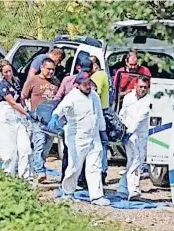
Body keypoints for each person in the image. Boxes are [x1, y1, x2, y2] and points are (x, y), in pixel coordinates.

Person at [48, 72, 110, 206]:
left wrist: (103, 131)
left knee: (95, 166)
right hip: (77, 138)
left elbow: (99, 115)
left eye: (89, 83)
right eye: (85, 84)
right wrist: (55, 117)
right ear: (78, 85)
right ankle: (68, 192)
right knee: (74, 166)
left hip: (94, 137)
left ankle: (96, 196)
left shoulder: (94, 96)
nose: (88, 86)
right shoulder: (72, 97)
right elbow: (61, 109)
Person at [0, 60, 32, 178]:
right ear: (2, 73)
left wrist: (25, 107)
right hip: (6, 115)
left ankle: (26, 176)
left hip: (17, 115)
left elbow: (20, 98)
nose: (8, 74)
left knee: (25, 148)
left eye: (10, 71)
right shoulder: (2, 85)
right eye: (5, 72)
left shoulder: (16, 81)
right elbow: (12, 103)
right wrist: (27, 113)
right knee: (10, 151)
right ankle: (9, 176)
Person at [55, 58, 94, 188]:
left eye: (89, 70)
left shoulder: (92, 85)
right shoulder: (68, 81)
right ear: (78, 67)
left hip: (85, 126)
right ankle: (65, 182)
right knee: (70, 156)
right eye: (84, 69)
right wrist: (56, 116)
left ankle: (82, 181)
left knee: (85, 157)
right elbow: (59, 97)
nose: (86, 72)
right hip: (69, 123)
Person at [21, 58, 60, 183]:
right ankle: (39, 171)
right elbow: (23, 97)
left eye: (53, 69)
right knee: (39, 144)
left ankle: (36, 166)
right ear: (42, 68)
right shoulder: (33, 80)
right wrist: (27, 111)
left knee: (47, 147)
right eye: (48, 69)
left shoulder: (56, 82)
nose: (51, 72)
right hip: (37, 120)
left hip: (51, 122)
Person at [117, 76, 150, 201]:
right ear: (135, 85)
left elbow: (141, 117)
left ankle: (122, 188)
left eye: (145, 88)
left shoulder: (148, 101)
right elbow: (122, 114)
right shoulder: (128, 98)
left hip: (140, 136)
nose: (142, 89)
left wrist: (130, 132)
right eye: (140, 86)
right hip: (129, 135)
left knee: (134, 162)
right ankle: (134, 191)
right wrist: (122, 130)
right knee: (135, 161)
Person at [89, 55, 110, 185]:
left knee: (98, 145)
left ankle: (100, 173)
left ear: (95, 66)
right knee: (102, 144)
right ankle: (102, 172)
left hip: (98, 113)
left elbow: (95, 94)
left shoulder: (98, 76)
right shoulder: (103, 75)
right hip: (103, 111)